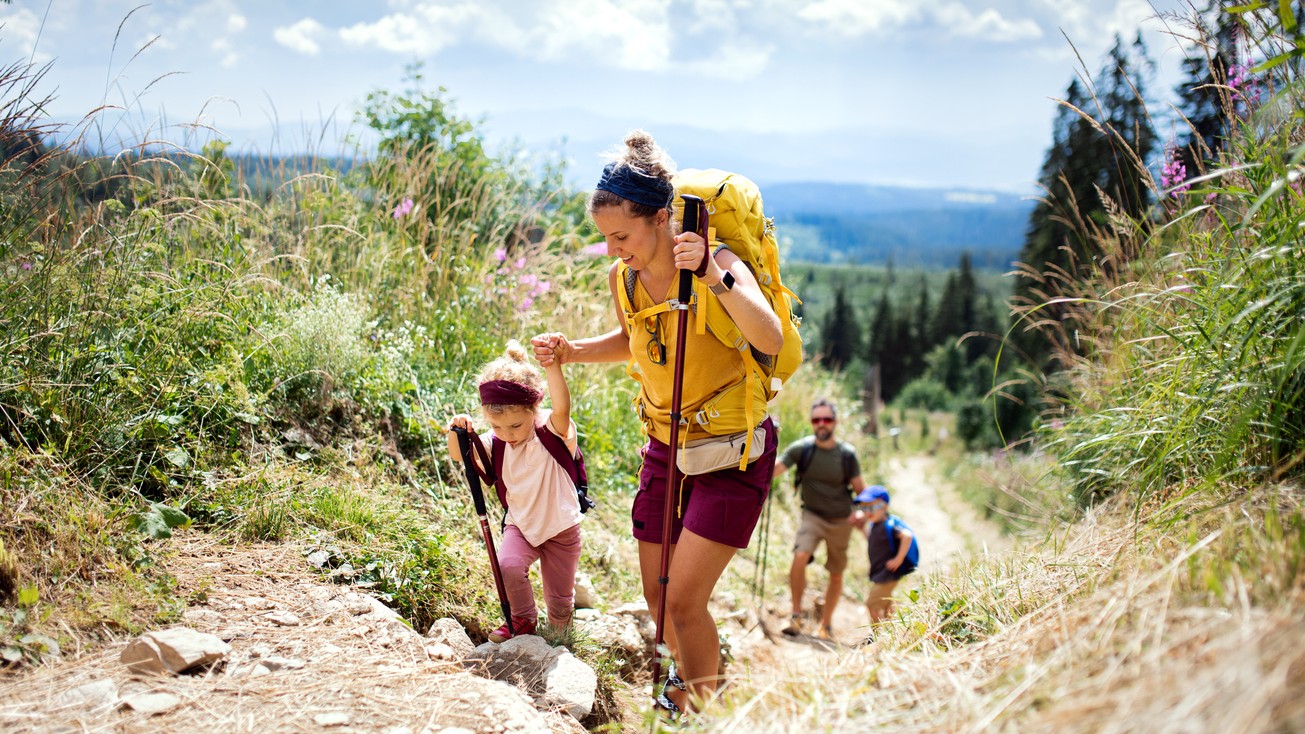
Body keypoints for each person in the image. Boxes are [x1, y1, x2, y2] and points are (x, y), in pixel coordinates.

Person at [531, 130, 782, 717]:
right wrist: (572, 352)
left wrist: (716, 279)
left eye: (622, 235)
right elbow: (635, 339)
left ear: (662, 217)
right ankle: (693, 689)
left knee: (687, 600)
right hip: (665, 445)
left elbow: (767, 335)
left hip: (731, 451)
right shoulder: (625, 276)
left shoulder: (717, 262)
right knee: (658, 597)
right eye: (606, 239)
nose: (614, 249)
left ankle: (705, 712)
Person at [446, 340, 582, 643]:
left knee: (560, 599)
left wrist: (552, 366)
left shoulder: (551, 429)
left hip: (561, 527)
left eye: (516, 426)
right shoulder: (497, 442)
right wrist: (456, 430)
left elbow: (562, 406)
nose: (508, 434)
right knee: (508, 565)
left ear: (534, 410)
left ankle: (561, 636)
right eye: (496, 426)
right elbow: (459, 454)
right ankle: (523, 620)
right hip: (521, 524)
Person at [773, 398, 866, 640]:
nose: (822, 424)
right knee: (800, 556)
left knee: (836, 573)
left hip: (841, 521)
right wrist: (765, 444)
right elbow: (774, 470)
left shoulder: (847, 455)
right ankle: (796, 616)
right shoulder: (801, 449)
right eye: (817, 420)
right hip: (812, 515)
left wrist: (862, 512)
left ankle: (826, 624)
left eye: (826, 419)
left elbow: (861, 491)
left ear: (835, 422)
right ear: (812, 423)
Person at [851, 485, 918, 624]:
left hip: (888, 573)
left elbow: (907, 536)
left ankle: (878, 635)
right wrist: (861, 529)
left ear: (884, 506)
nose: (867, 512)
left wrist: (898, 559)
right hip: (881, 572)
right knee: (887, 604)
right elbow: (872, 541)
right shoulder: (874, 526)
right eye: (864, 508)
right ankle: (893, 628)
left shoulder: (889, 525)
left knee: (871, 605)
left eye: (871, 508)